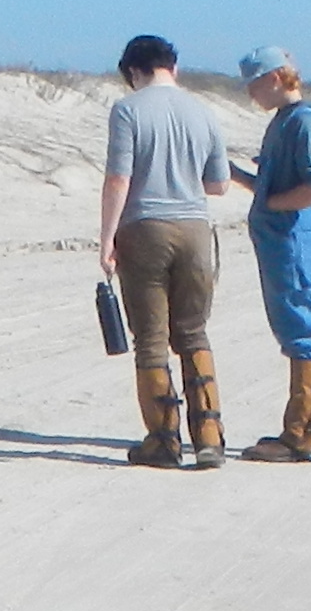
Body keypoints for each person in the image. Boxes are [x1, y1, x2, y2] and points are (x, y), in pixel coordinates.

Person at [95, 34, 233, 468]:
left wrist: (106, 239)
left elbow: (119, 178)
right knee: (193, 332)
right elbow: (219, 184)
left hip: (145, 229)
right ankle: (209, 438)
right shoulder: (204, 111)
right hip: (195, 229)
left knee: (151, 340)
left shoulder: (128, 110)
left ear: (134, 71)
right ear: (172, 66)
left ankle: (163, 440)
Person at [234, 44, 311, 460]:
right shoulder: (282, 122)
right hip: (279, 243)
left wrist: (271, 205)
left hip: (295, 243)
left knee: (302, 330)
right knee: (292, 329)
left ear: (275, 78)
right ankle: (302, 430)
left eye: (253, 86)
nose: (251, 95)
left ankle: (304, 434)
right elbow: (273, 185)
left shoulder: (304, 123)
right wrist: (238, 177)